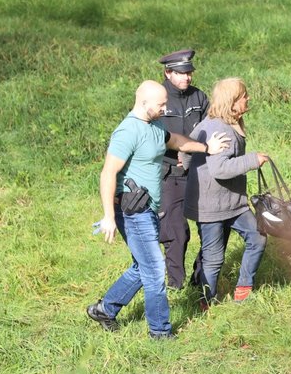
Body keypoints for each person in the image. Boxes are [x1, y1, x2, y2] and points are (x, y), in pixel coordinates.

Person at [87, 80, 228, 339]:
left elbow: (175, 141)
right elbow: (108, 173)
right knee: (154, 270)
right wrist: (108, 216)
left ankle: (104, 309)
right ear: (144, 103)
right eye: (161, 104)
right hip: (132, 211)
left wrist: (207, 148)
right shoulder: (128, 131)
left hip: (150, 208)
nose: (166, 108)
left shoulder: (154, 125)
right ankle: (160, 332)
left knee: (142, 267)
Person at [185, 78, 269, 306]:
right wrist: (253, 160)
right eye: (244, 96)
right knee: (213, 259)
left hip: (234, 203)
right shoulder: (219, 129)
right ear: (232, 102)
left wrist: (188, 165)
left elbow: (186, 148)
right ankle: (206, 301)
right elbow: (220, 169)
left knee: (257, 237)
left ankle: (243, 288)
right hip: (211, 207)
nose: (248, 99)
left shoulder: (223, 122)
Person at [158, 49, 209, 289]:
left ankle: (200, 281)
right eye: (180, 73)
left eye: (189, 72)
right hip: (170, 175)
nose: (187, 77)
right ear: (168, 73)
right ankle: (174, 285)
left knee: (210, 229)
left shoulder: (199, 97)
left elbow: (212, 126)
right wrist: (175, 151)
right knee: (177, 234)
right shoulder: (158, 98)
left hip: (199, 172)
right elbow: (147, 134)